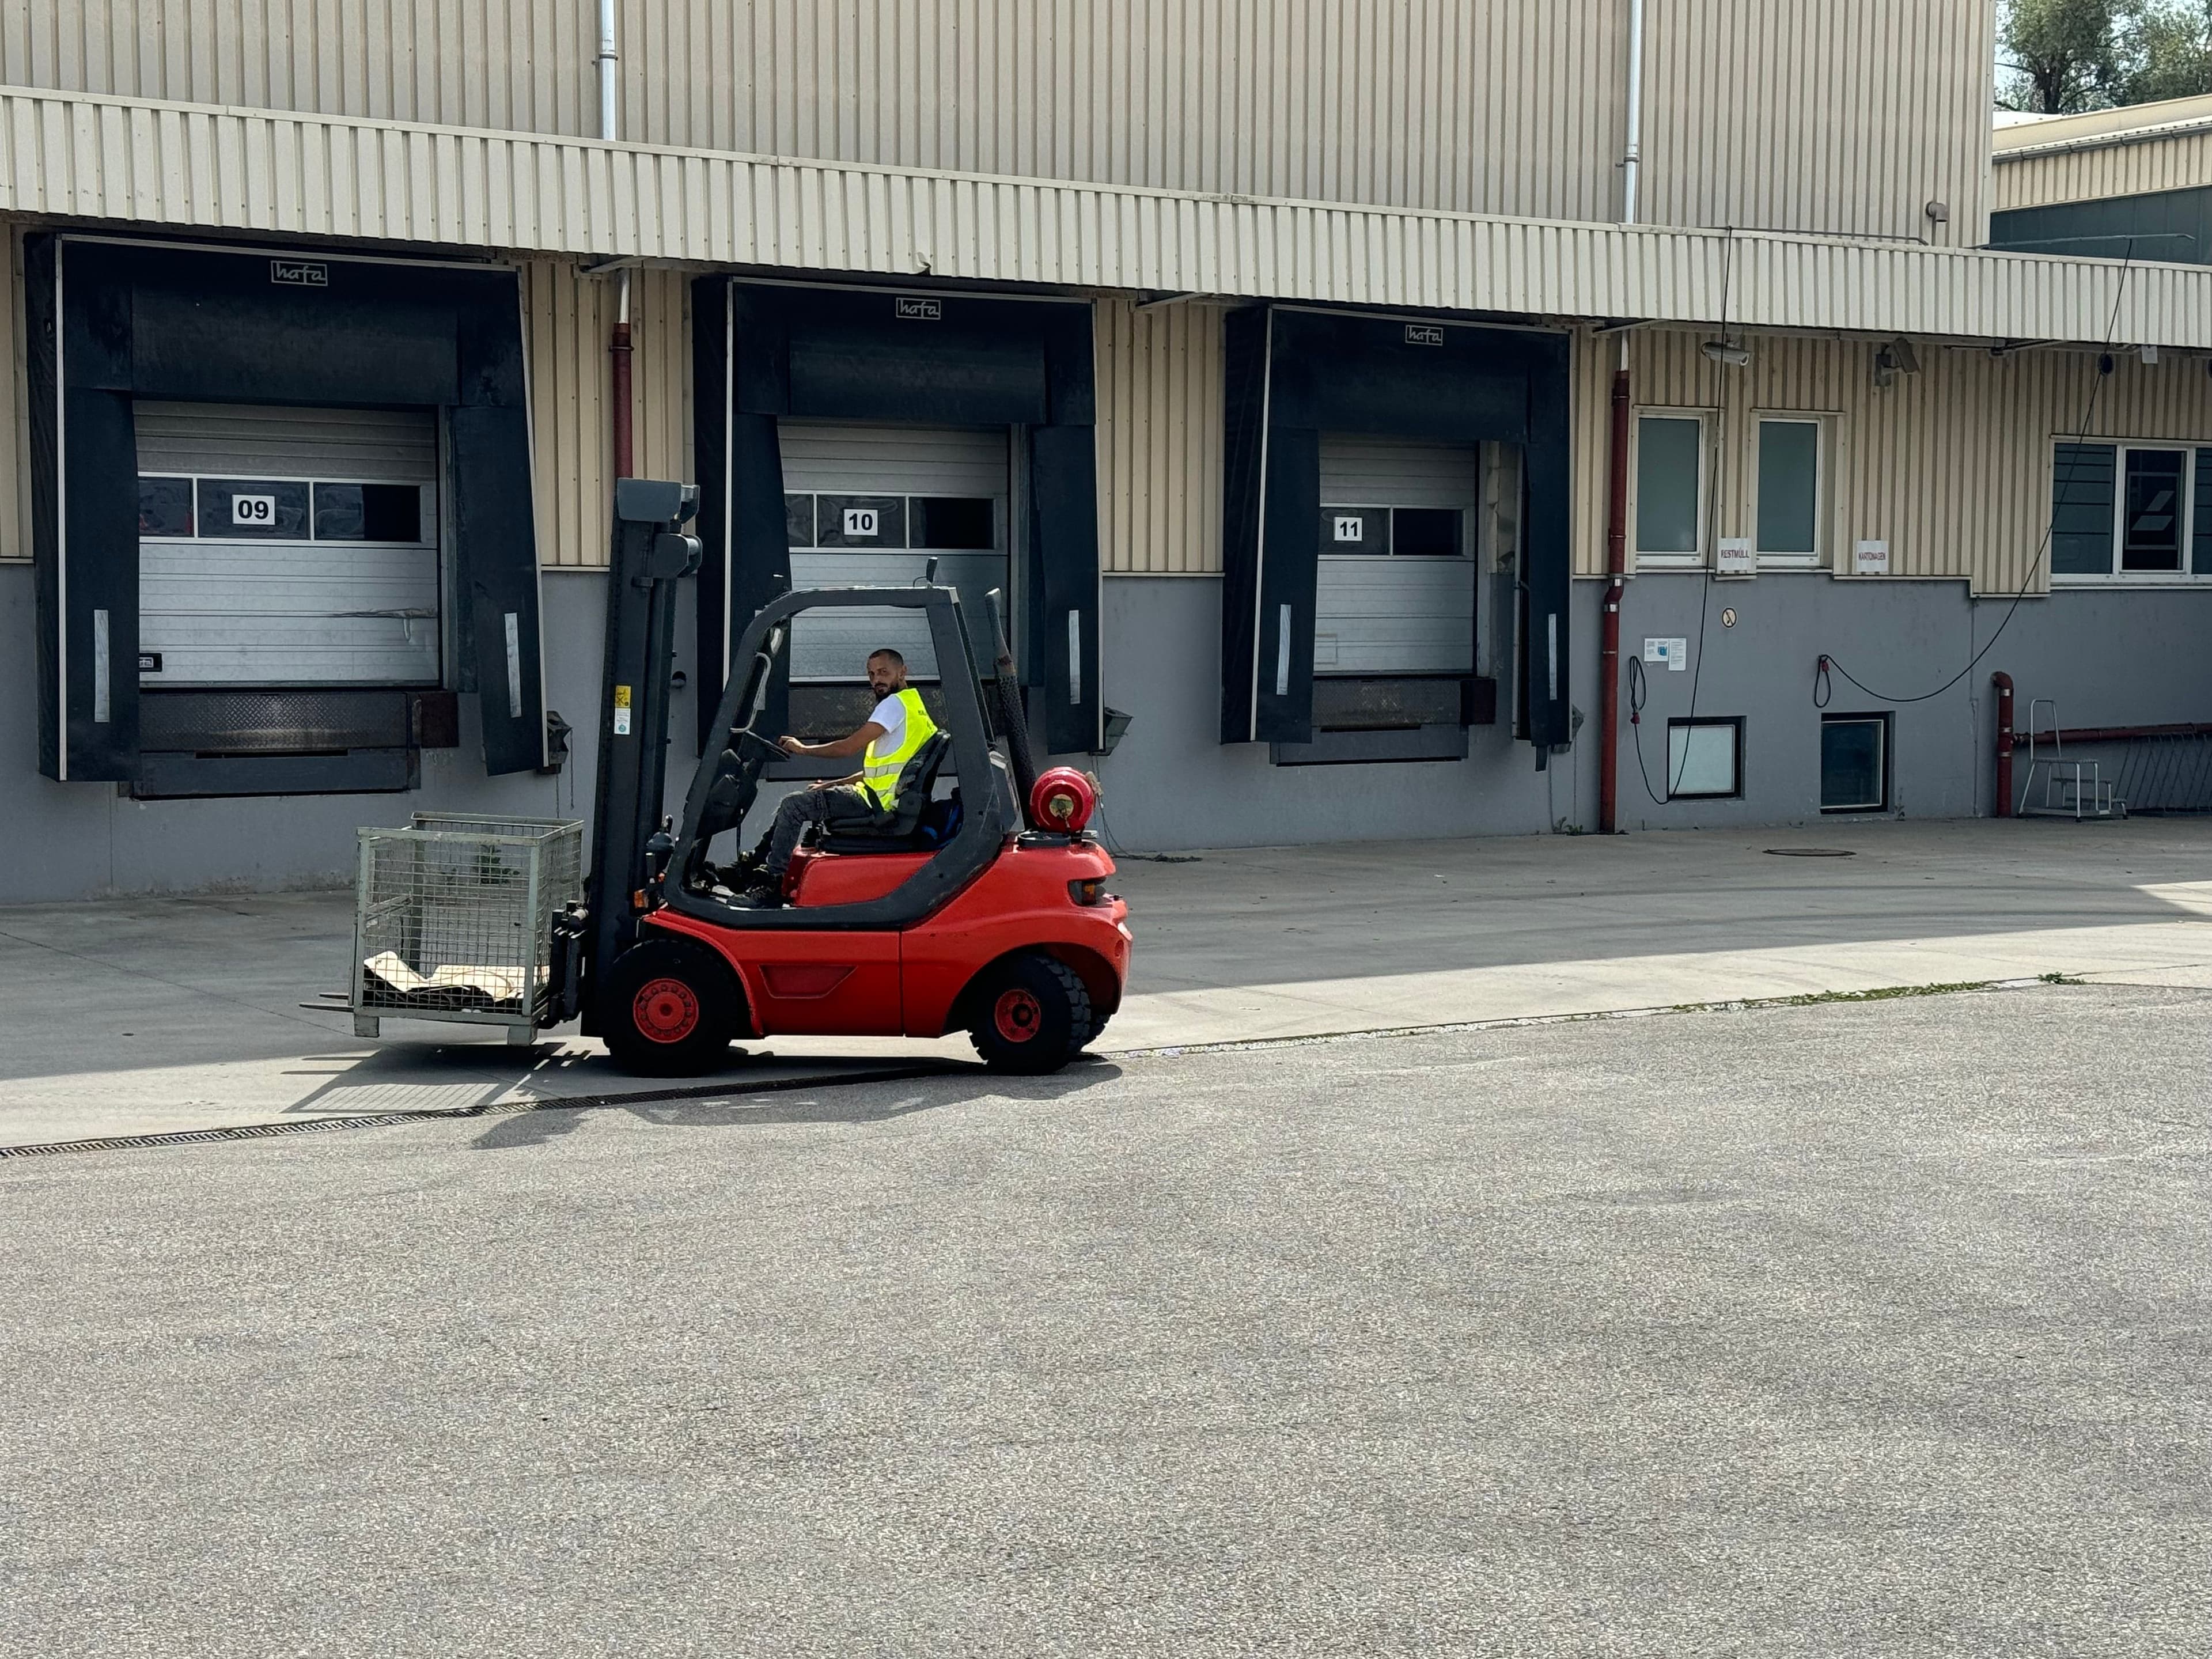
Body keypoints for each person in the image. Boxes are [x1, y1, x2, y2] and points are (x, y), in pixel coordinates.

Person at [734, 647, 938, 907]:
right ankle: (754, 864)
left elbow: (848, 747)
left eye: (884, 673)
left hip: (875, 806)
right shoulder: (915, 707)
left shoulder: (893, 706)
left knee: (793, 806)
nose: (877, 680)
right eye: (872, 674)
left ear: (903, 672)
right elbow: (882, 772)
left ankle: (771, 884)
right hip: (880, 799)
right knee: (806, 798)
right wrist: (832, 785)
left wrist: (803, 749)